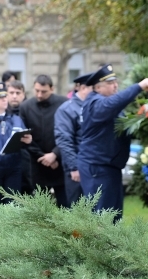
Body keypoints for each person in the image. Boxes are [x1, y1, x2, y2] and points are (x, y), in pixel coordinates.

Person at [78, 65, 148, 220]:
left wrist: (141, 119)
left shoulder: (108, 105)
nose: (115, 85)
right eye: (110, 83)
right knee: (101, 218)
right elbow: (113, 104)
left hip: (110, 168)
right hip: (97, 168)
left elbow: (124, 128)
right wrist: (139, 86)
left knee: (114, 217)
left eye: (115, 81)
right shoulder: (95, 103)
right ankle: (97, 246)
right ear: (97, 87)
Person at [19, 75, 68, 206]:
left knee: (66, 206)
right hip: (38, 164)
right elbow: (25, 138)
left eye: (43, 91)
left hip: (61, 162)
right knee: (42, 209)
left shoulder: (63, 103)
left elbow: (68, 134)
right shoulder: (25, 107)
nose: (39, 95)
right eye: (36, 90)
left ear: (52, 89)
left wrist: (55, 155)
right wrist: (44, 158)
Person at [54, 73, 94, 206]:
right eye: (93, 89)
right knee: (77, 212)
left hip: (93, 166)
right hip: (77, 169)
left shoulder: (93, 107)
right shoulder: (67, 109)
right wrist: (74, 167)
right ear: (83, 88)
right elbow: (64, 141)